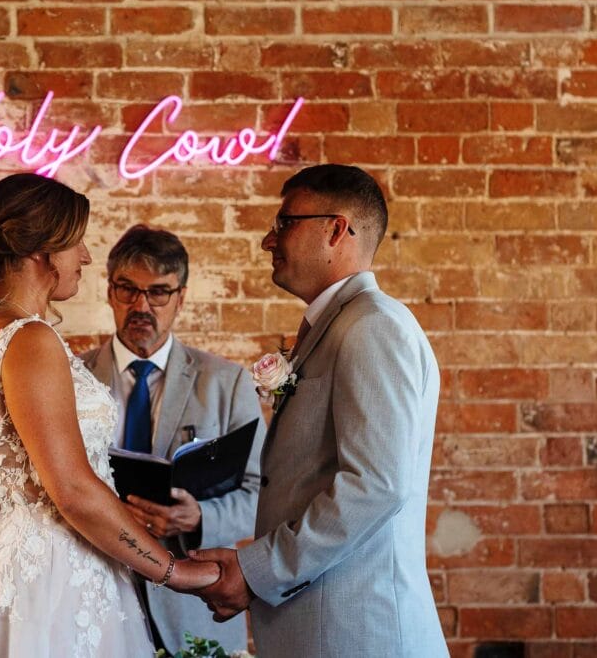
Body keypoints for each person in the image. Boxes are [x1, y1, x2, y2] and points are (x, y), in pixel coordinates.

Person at [0, 173, 219, 657]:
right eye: (77, 243)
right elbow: (72, 490)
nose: (85, 257)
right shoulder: (29, 340)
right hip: (48, 578)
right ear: (44, 252)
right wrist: (174, 570)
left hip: (17, 562)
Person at [191, 164, 448, 657]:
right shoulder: (338, 326)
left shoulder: (373, 327)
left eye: (285, 222)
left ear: (336, 230)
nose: (269, 240)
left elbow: (375, 486)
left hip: (357, 633)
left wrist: (256, 569)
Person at [81, 225, 263, 655]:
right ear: (109, 291)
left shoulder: (228, 382)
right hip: (95, 595)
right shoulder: (74, 378)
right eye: (128, 289)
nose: (141, 306)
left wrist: (199, 517)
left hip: (193, 604)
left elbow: (263, 496)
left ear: (181, 297)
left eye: (159, 292)